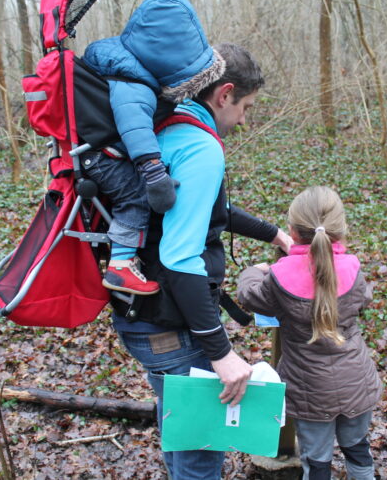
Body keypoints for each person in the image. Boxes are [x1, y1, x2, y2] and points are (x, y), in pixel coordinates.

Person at [111, 42, 293, 480]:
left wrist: (273, 233)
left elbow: (209, 211)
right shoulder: (201, 148)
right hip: (169, 327)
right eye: (246, 107)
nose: (245, 120)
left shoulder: (169, 128)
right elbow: (179, 258)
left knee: (178, 428)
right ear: (224, 94)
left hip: (138, 317)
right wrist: (221, 353)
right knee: (200, 453)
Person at [80, 0, 226, 295]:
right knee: (135, 195)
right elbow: (135, 128)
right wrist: (153, 172)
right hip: (101, 156)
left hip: (97, 151)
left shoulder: (127, 65)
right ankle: (121, 266)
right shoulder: (134, 83)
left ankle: (122, 256)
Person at [237, 186, 382, 480]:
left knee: (316, 462)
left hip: (309, 392)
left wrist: (254, 269)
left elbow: (249, 296)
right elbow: (363, 297)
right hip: (357, 382)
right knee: (357, 448)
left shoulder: (278, 277)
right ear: (340, 231)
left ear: (292, 230)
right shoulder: (353, 269)